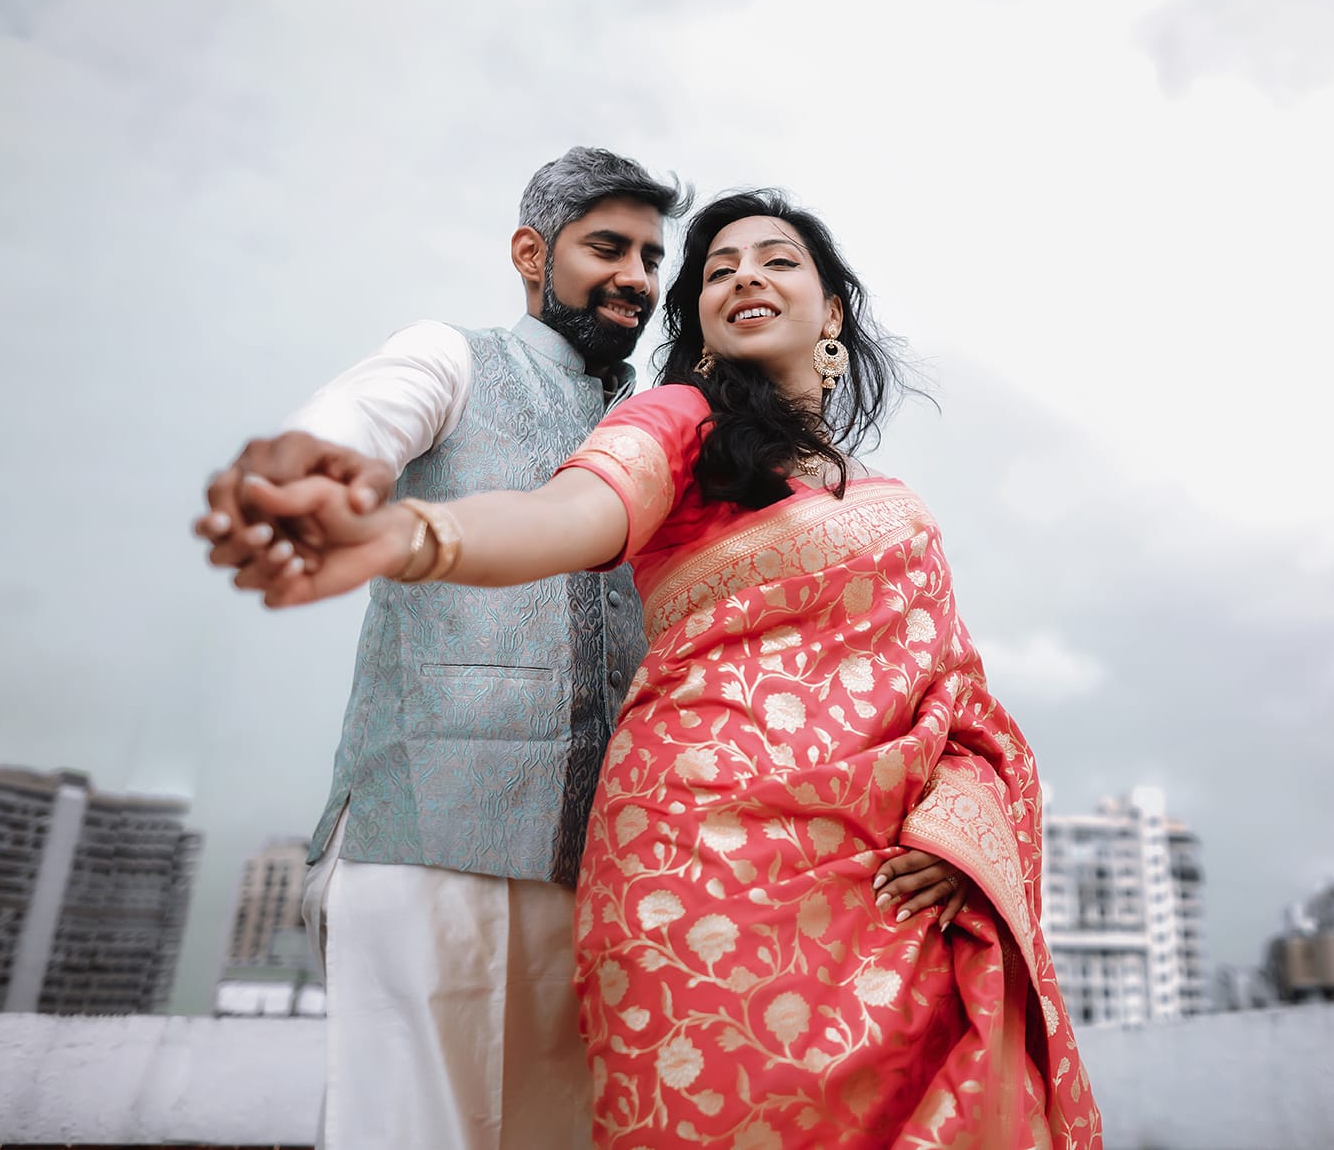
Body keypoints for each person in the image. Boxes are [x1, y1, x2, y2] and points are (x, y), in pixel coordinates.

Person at [236, 190, 1102, 1148]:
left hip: (885, 893)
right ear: (700, 325)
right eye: (719, 270)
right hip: (698, 872)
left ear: (832, 309)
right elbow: (566, 517)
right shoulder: (681, 424)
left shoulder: (896, 509)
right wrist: (411, 534)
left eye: (776, 260)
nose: (745, 277)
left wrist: (958, 829)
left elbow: (958, 700)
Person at [194, 147, 689, 1150]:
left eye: (650, 256)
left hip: (603, 879)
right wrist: (310, 474)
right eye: (607, 248)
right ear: (530, 253)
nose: (636, 277)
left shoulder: (658, 427)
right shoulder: (451, 356)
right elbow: (355, 426)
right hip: (424, 846)